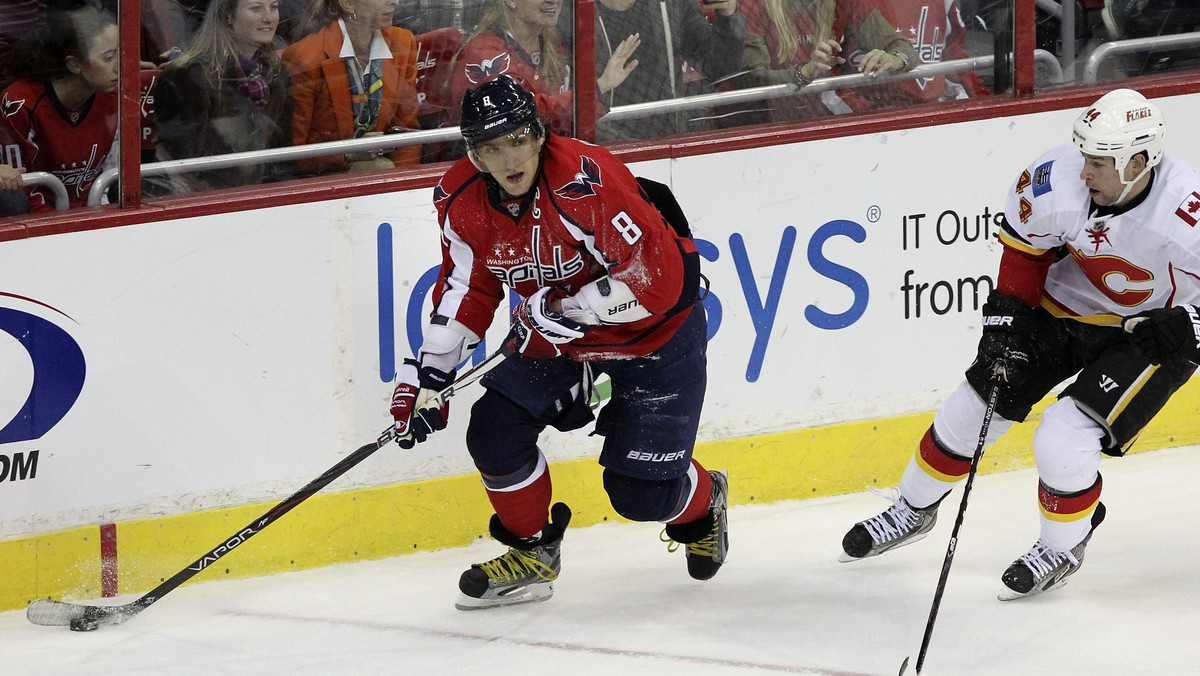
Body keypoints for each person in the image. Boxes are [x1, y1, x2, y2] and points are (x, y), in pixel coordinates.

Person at [839, 89, 1200, 600]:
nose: (1083, 172)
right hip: (1064, 307)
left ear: (1138, 162)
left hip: (1148, 333)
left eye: (1098, 162)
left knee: (1063, 436)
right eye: (1084, 157)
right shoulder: (1057, 180)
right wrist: (1007, 326)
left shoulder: (1187, 211)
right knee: (974, 406)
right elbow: (1025, 256)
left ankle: (1061, 545)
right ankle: (912, 509)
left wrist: (1192, 329)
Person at [390, 75, 727, 610]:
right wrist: (431, 374)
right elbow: (468, 286)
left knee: (641, 496)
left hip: (654, 334)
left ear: (539, 134)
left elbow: (659, 280)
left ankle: (705, 501)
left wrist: (569, 309)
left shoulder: (583, 181)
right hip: (562, 340)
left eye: (518, 139)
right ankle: (532, 552)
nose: (509, 158)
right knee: (495, 432)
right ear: (473, 153)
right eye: (492, 147)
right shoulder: (461, 198)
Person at [153, 0, 293, 193]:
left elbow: (281, 155)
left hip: (258, 199)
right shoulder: (186, 78)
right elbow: (188, 164)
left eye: (274, 7)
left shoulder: (276, 75)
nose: (268, 17)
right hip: (202, 202)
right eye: (256, 8)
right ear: (228, 16)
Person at [447, 0, 640, 136]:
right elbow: (518, 119)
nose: (553, 1)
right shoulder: (484, 54)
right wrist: (598, 88)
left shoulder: (554, 43)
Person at [0, 4, 118, 211]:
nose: (119, 65)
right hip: (43, 227)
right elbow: (24, 186)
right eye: (108, 57)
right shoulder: (20, 104)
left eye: (120, 53)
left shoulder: (116, 96)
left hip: (94, 218)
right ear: (74, 64)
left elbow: (112, 174)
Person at [282, 0, 422, 174]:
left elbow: (408, 132)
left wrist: (401, 183)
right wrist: (350, 154)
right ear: (347, 4)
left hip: (382, 178)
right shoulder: (304, 57)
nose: (394, 2)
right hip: (325, 181)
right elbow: (290, 154)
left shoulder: (403, 42)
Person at [592, 0, 746, 141]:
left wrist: (728, 15)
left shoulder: (672, 4)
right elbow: (571, 111)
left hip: (668, 143)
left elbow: (721, 67)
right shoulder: (573, 14)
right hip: (604, 152)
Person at [736, 0, 916, 120]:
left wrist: (895, 59)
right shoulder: (753, 5)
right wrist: (804, 73)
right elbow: (751, 79)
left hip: (830, 119)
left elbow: (905, 49)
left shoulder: (845, 2)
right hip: (773, 125)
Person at [823, 0, 987, 114]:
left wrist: (980, 99)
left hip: (934, 112)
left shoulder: (944, 2)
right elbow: (828, 66)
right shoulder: (851, 4)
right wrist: (858, 113)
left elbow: (954, 54)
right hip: (868, 116)